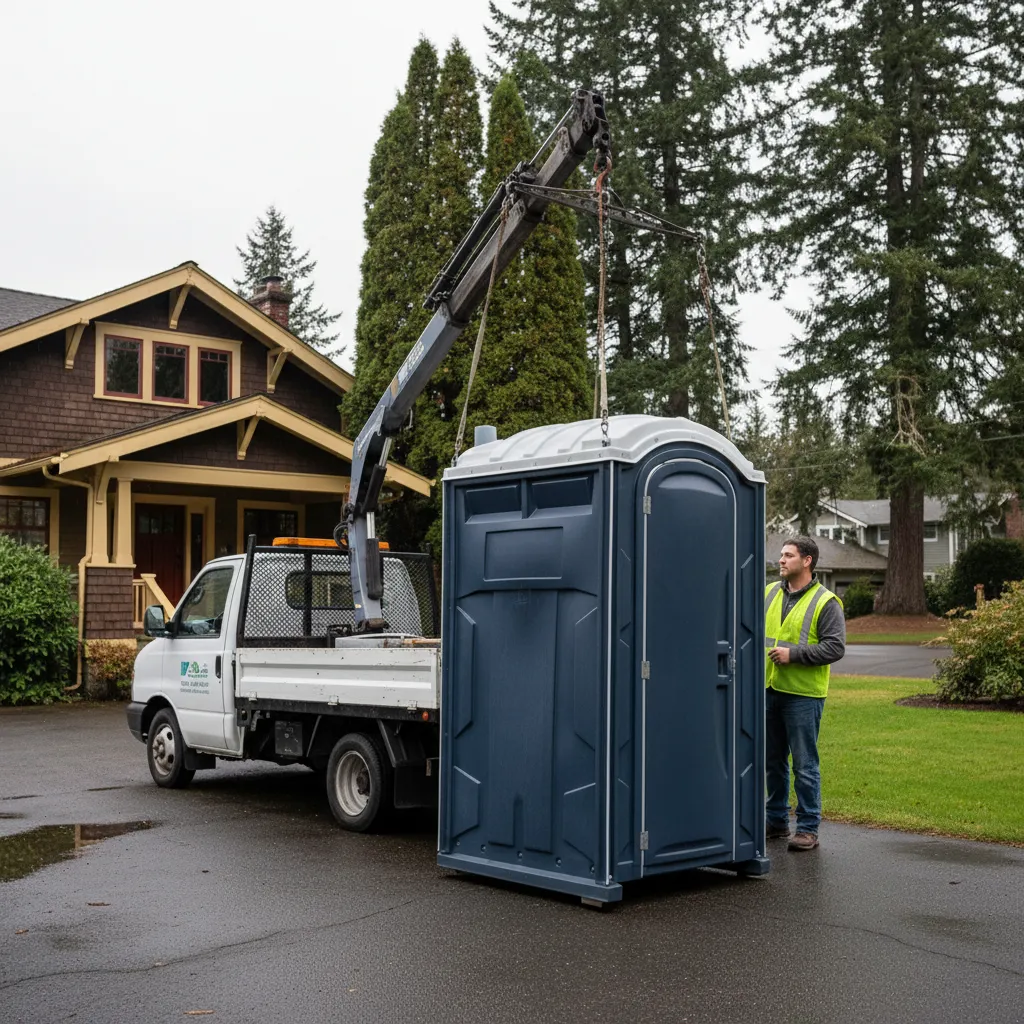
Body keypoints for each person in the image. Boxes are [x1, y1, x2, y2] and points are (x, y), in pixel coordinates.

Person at [764, 536, 845, 851]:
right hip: (769, 689)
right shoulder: (769, 592)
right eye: (781, 555)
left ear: (807, 560)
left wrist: (792, 654)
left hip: (803, 696)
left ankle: (808, 828)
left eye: (788, 555)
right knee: (773, 761)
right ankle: (776, 821)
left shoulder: (826, 602)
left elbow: (835, 647)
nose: (781, 560)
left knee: (804, 763)